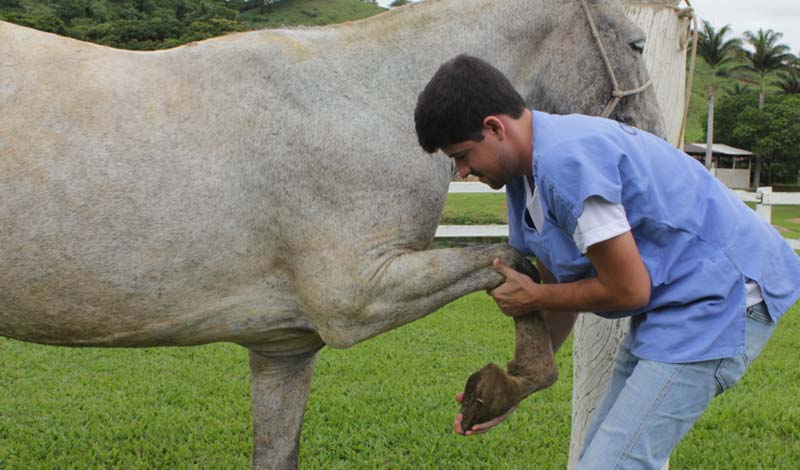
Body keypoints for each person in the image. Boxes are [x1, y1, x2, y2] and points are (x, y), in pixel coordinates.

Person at [413, 54, 800, 469]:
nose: (462, 170)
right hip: (675, 306)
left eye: (463, 155)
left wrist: (534, 296)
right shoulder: (524, 177)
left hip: (722, 297)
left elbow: (629, 289)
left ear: (494, 128)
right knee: (602, 459)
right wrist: (522, 380)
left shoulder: (567, 162)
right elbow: (557, 278)